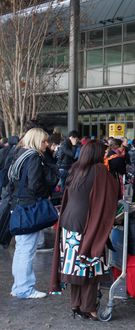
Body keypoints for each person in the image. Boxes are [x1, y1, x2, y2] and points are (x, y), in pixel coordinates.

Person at [50, 141, 119, 320]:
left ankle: (76, 305)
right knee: (90, 266)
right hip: (86, 223)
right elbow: (113, 194)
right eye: (103, 153)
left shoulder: (75, 168)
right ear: (97, 154)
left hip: (67, 221)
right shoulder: (100, 171)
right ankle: (89, 308)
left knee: (75, 268)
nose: (105, 156)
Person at [8, 128, 56, 299]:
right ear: (36, 141)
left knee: (21, 249)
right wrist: (45, 194)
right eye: (44, 141)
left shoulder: (19, 154)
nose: (46, 144)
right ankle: (24, 288)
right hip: (30, 207)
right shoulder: (34, 157)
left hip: (18, 206)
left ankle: (19, 286)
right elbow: (35, 184)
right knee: (27, 250)